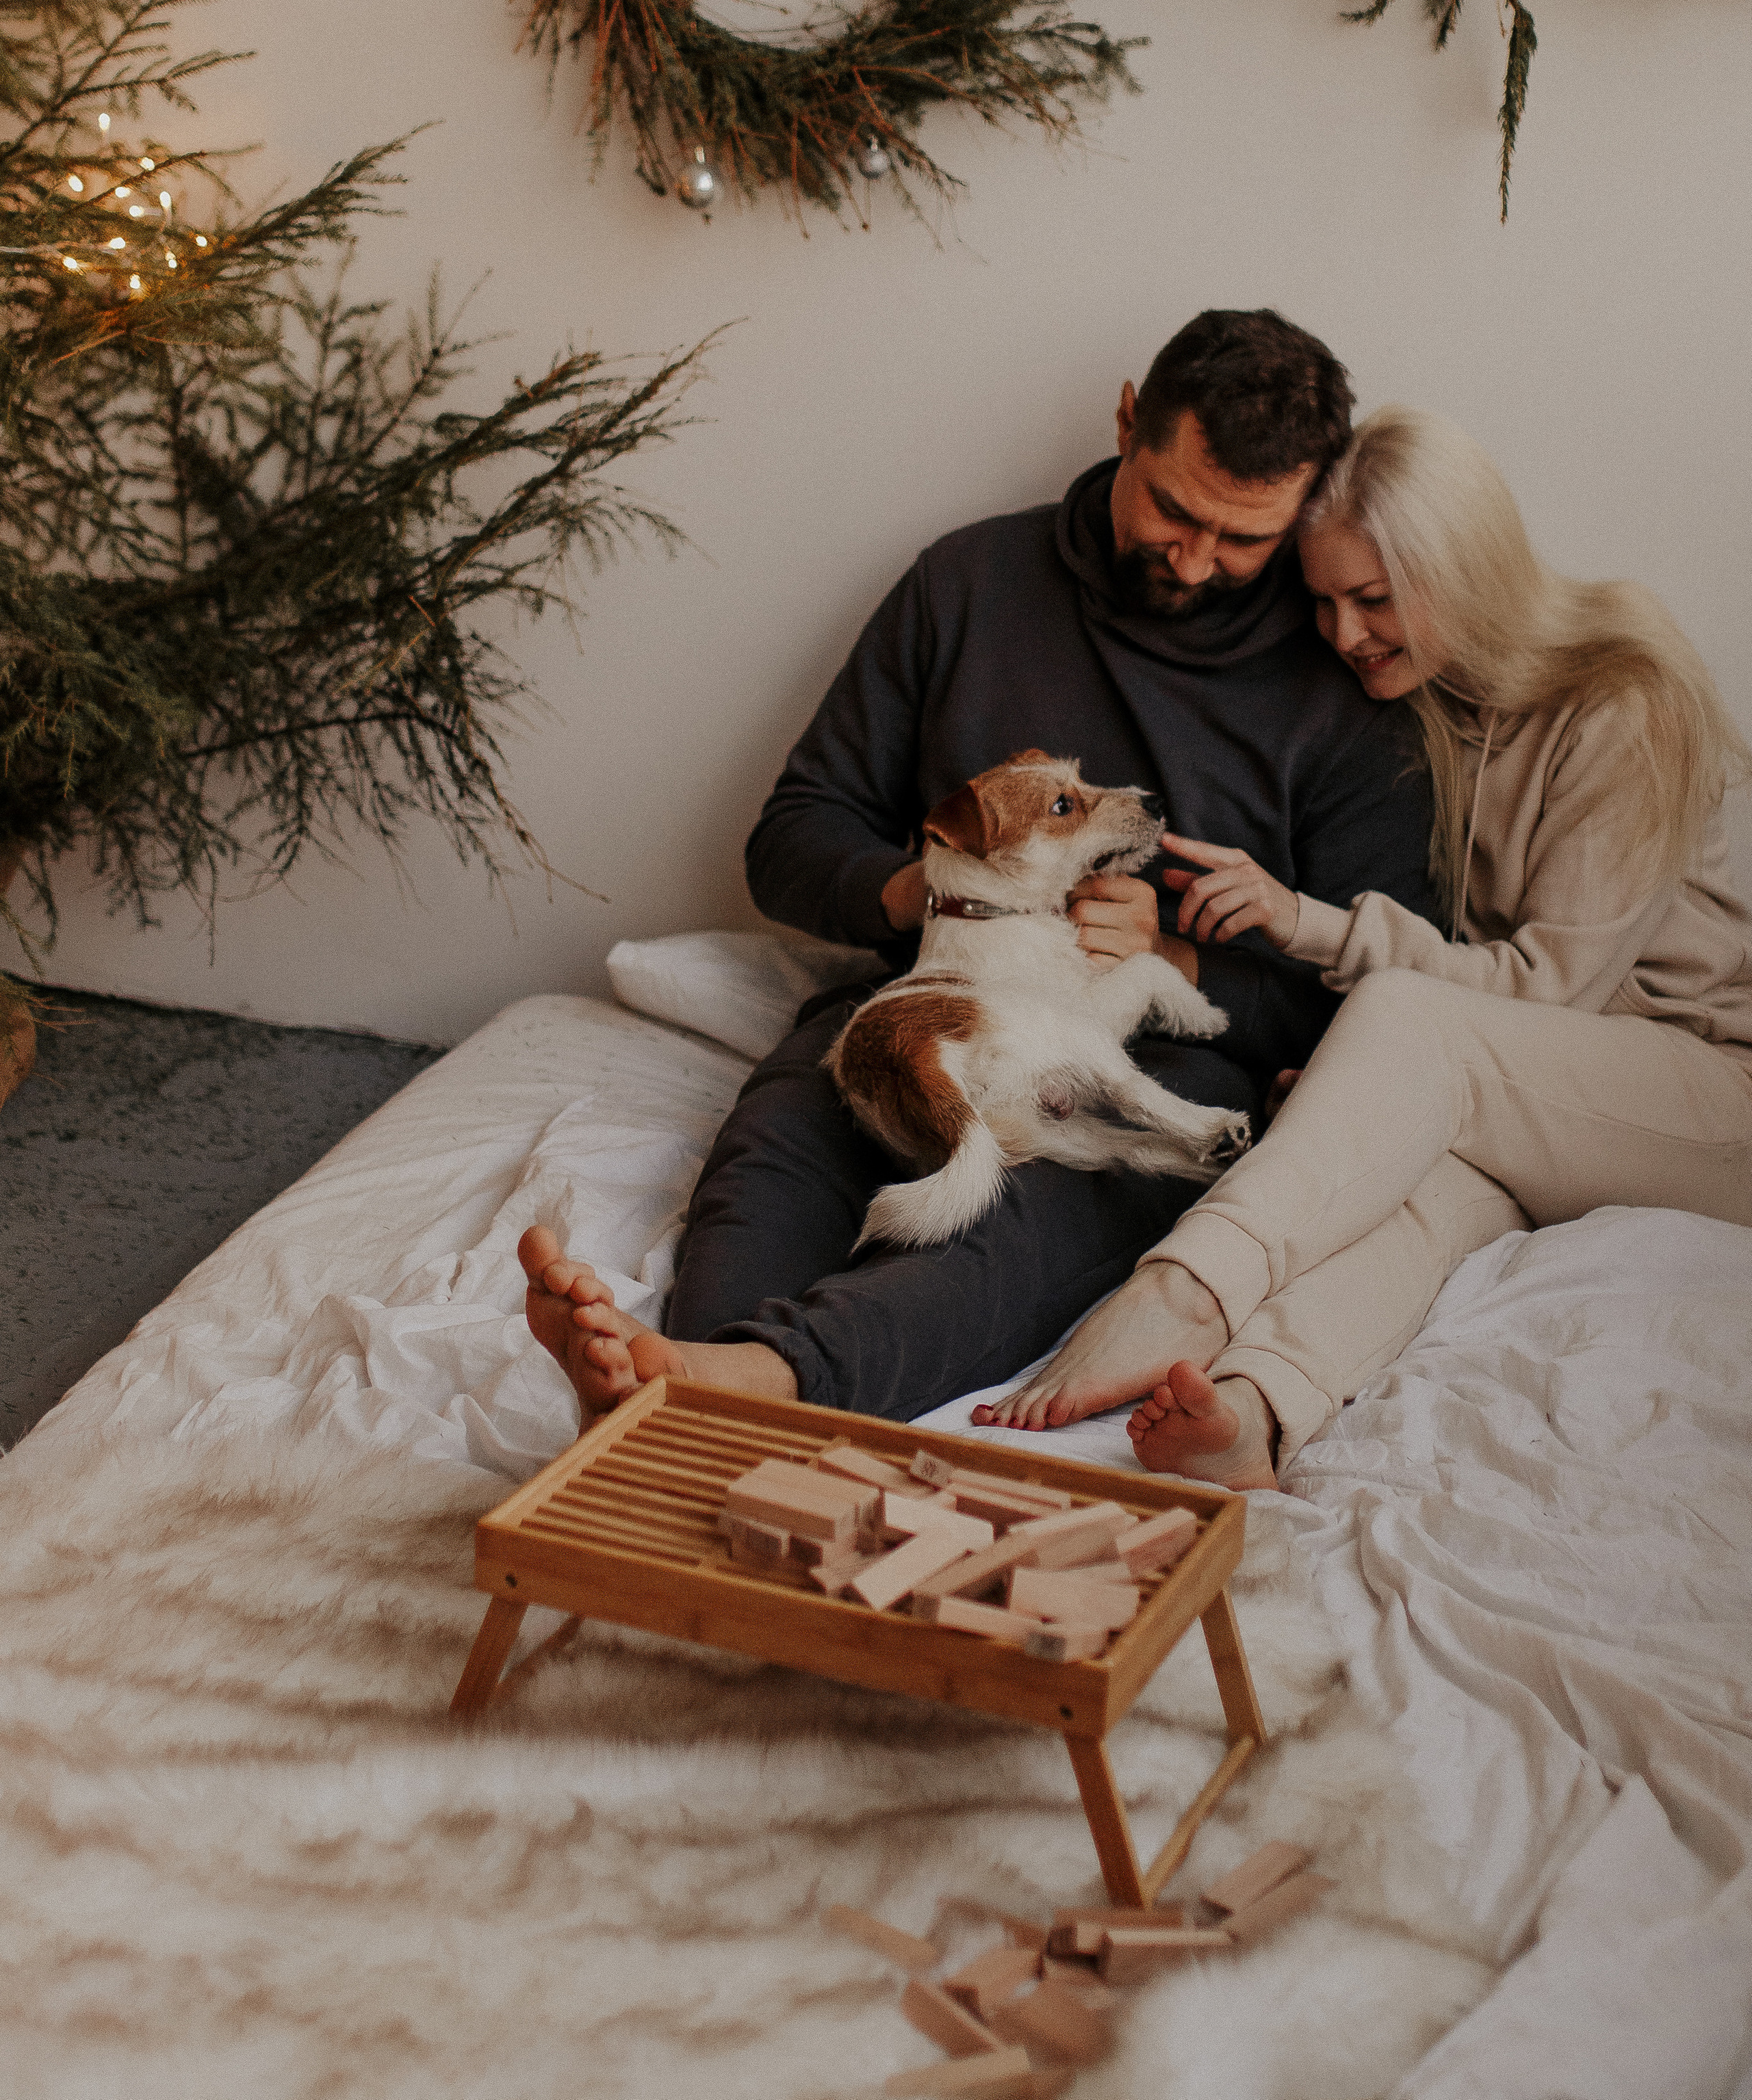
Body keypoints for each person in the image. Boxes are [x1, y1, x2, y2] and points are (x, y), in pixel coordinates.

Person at [521, 313, 1447, 1429]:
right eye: (1175, 510)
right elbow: (793, 835)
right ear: (1125, 424)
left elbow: (1390, 998)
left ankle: (763, 1383)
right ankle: (689, 1375)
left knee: (1057, 1205)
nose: (1198, 561)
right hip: (933, 994)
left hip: (1157, 1048)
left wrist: (1181, 954)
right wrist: (933, 895)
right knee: (789, 1130)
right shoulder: (969, 585)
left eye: (1245, 540)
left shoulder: (1341, 679)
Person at [974, 404, 1752, 1487]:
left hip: (1710, 1097)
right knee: (1420, 1204)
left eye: (1373, 600)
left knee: (1406, 1023)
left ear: (1466, 571)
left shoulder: (1621, 695)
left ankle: (1183, 1292)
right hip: (1564, 1102)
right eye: (1327, 601)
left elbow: (1551, 994)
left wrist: (1305, 923)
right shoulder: (1434, 707)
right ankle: (1251, 1414)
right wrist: (1365, 1088)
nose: (1344, 635)